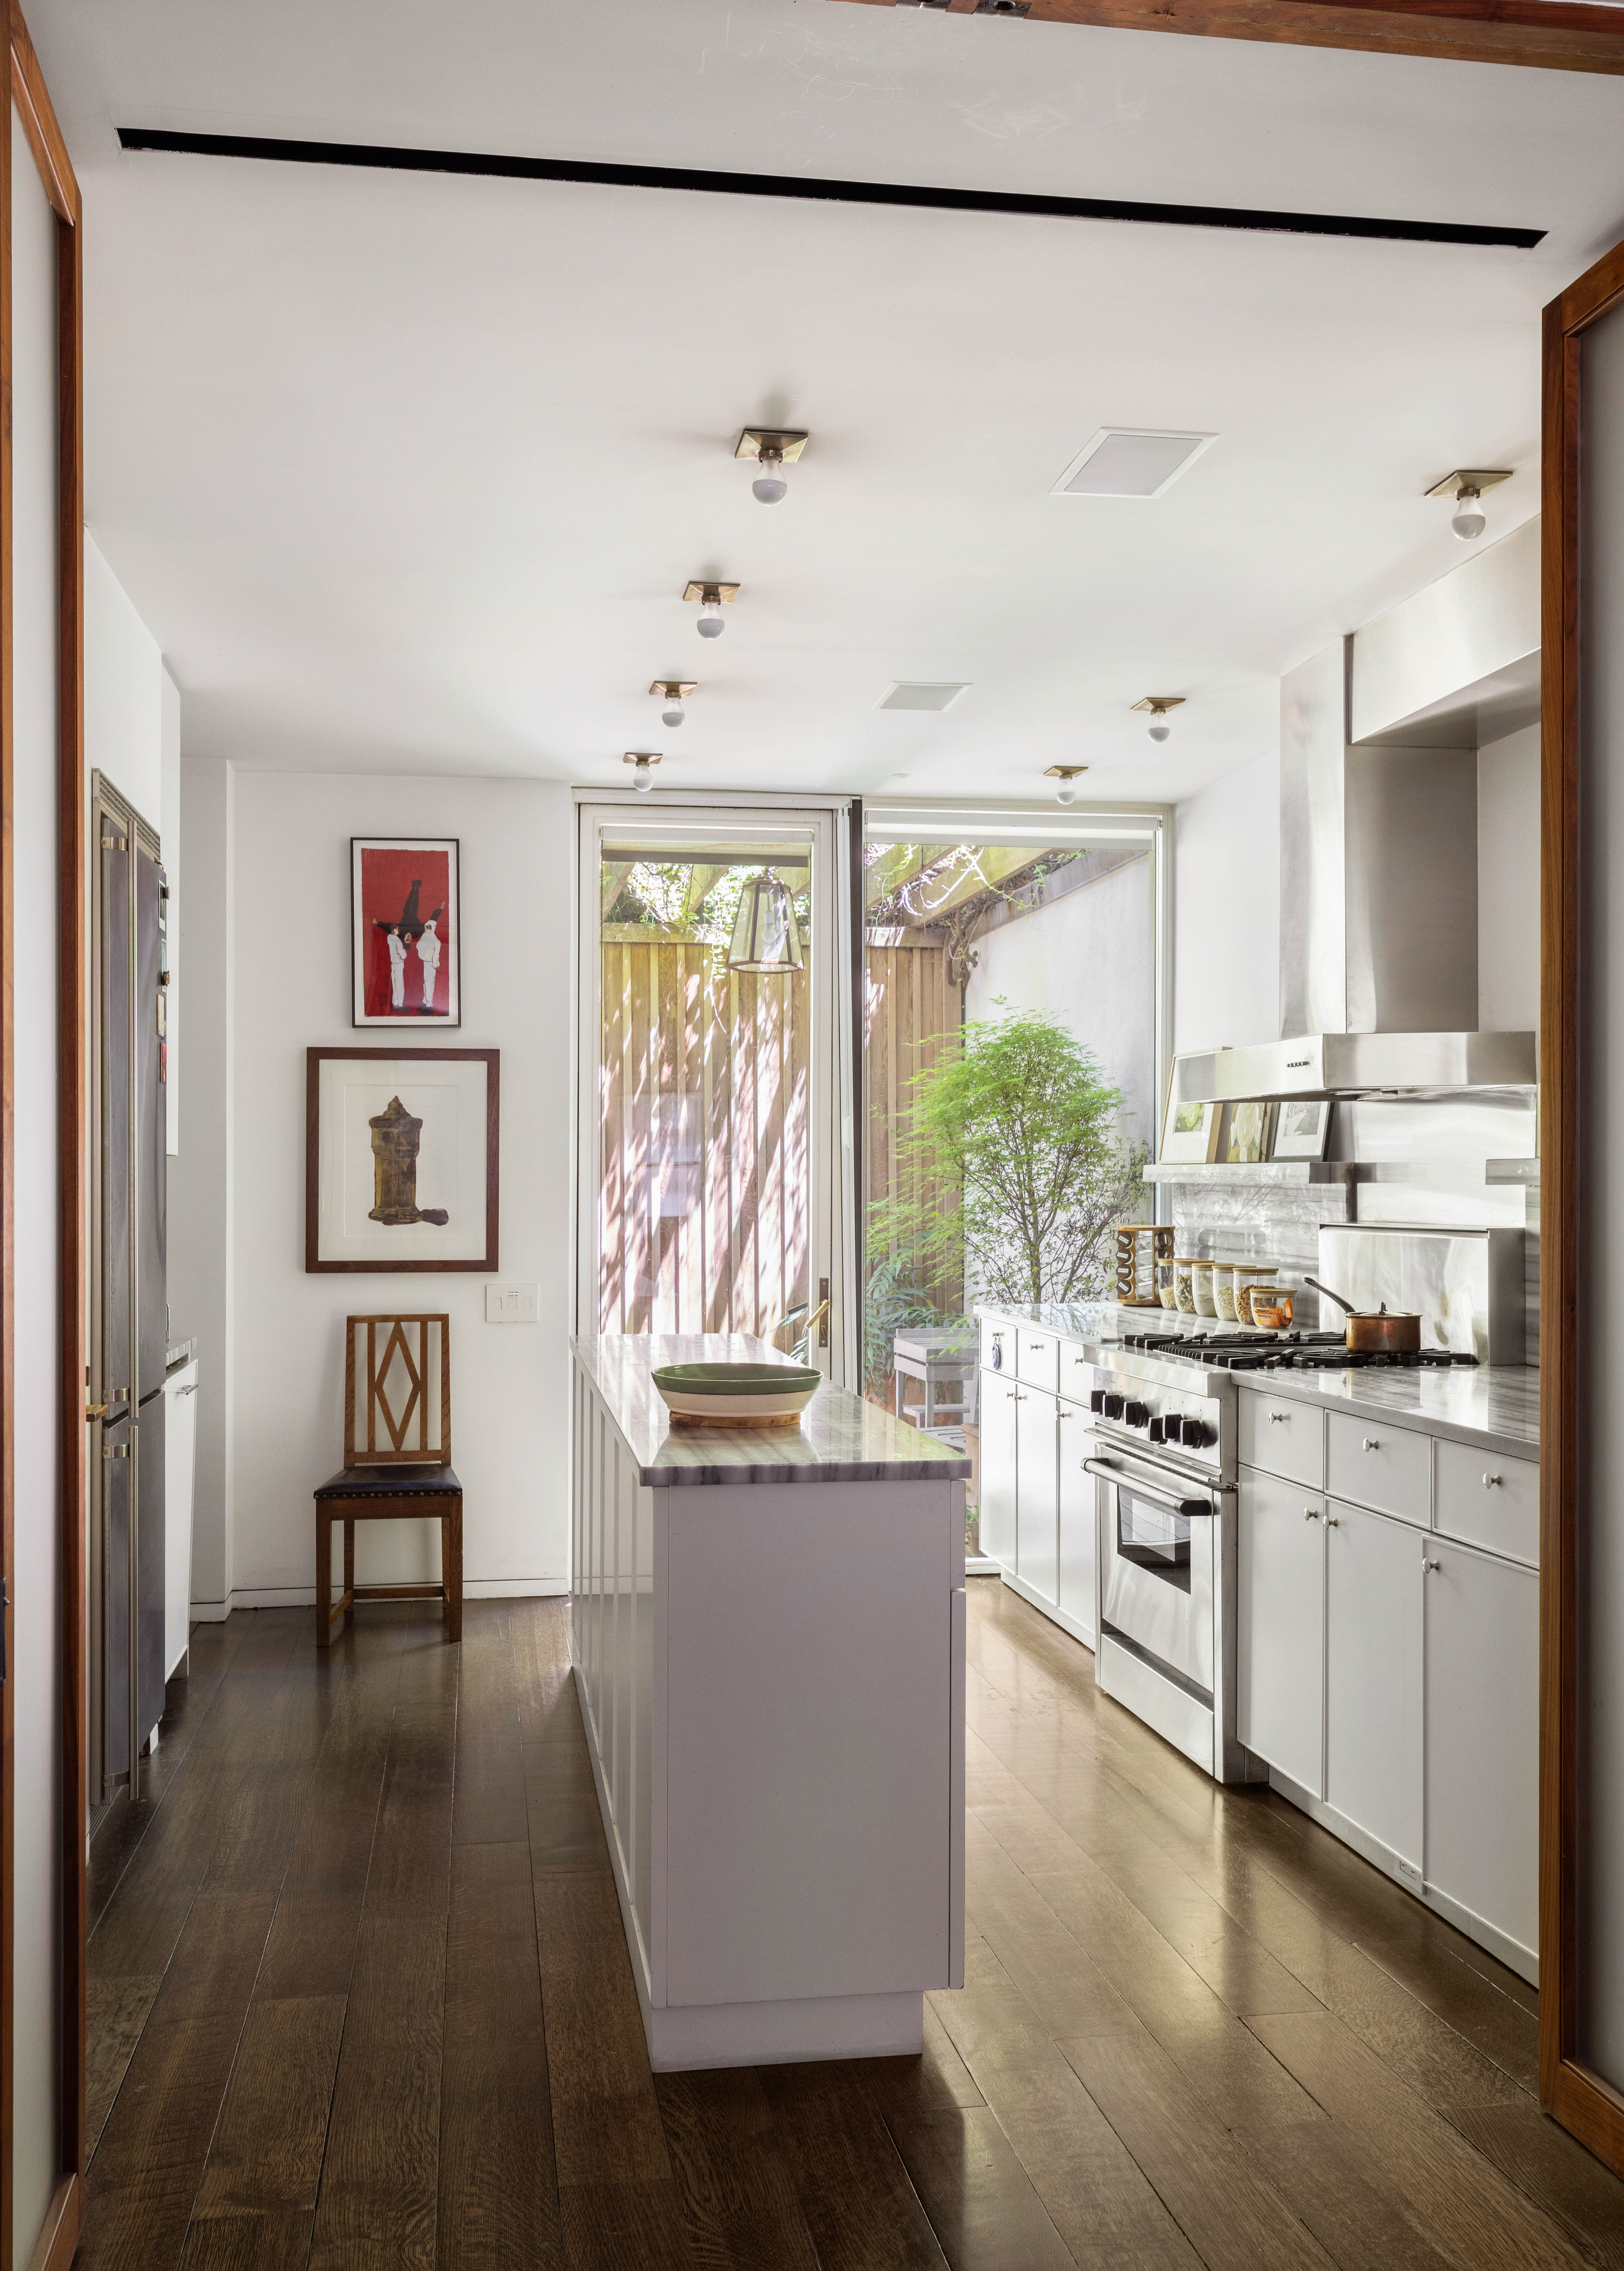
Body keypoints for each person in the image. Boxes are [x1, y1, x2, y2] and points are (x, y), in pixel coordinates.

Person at [416, 916, 442, 1011]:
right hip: (426, 964)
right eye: (427, 927)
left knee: (430, 984)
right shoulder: (425, 937)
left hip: (431, 965)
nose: (428, 930)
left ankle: (429, 1006)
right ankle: (425, 1001)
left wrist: (435, 965)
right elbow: (419, 946)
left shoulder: (436, 941)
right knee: (426, 984)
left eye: (430, 928)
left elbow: (436, 955)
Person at [386, 924, 408, 1011]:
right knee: (400, 984)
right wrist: (405, 955)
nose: (399, 931)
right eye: (398, 929)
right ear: (395, 930)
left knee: (395, 983)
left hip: (393, 963)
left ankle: (395, 1003)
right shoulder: (397, 940)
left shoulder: (389, 938)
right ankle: (400, 1004)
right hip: (399, 963)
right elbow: (401, 952)